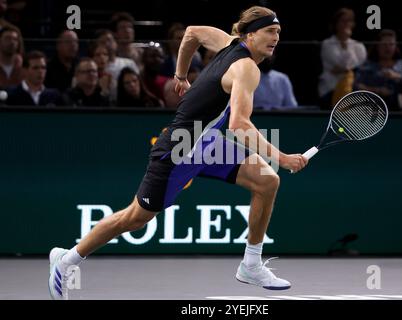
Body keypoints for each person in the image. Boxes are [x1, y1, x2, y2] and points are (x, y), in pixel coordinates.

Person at [48, 6, 308, 300]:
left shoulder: (226, 42)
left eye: (279, 33)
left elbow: (192, 33)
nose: (276, 38)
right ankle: (66, 260)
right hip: (179, 149)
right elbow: (238, 125)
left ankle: (251, 264)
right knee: (134, 217)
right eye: (270, 31)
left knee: (267, 181)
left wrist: (181, 75)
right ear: (250, 34)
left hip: (206, 143)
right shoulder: (247, 68)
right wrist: (283, 157)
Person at [354, 29, 402, 110]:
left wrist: (397, 76)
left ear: (396, 46)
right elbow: (357, 86)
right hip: (373, 109)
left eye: (391, 44)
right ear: (377, 46)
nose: (387, 48)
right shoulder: (366, 66)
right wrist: (378, 90)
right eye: (384, 44)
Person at [318, 8, 366, 108]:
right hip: (330, 90)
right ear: (336, 24)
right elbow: (345, 66)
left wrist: (345, 70)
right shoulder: (327, 44)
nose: (346, 24)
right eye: (343, 21)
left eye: (349, 21)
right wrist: (344, 41)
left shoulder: (359, 46)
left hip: (353, 91)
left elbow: (356, 68)